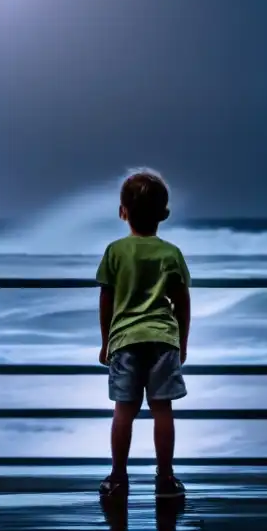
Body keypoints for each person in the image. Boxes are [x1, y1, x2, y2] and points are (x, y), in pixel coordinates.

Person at [97, 169, 191, 500]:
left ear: (123, 212)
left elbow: (106, 300)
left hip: (124, 341)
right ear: (163, 214)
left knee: (124, 410)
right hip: (163, 339)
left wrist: (106, 341)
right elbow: (182, 302)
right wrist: (183, 343)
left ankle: (118, 478)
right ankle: (165, 478)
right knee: (162, 410)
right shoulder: (171, 253)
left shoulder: (115, 251)